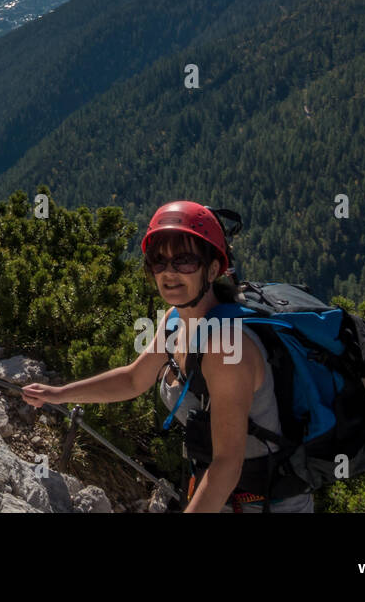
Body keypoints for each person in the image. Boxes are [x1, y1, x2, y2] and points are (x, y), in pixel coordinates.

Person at [21, 200, 314, 513]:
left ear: (213, 269)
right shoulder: (175, 320)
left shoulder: (227, 347)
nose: (169, 272)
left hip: (267, 504)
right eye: (159, 262)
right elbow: (134, 379)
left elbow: (227, 464)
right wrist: (59, 394)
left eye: (185, 261)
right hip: (221, 496)